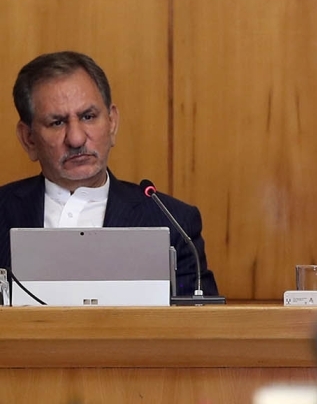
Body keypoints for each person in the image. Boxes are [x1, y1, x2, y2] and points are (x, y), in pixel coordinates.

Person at [0, 51, 218, 296]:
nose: (76, 138)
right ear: (28, 138)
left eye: (88, 117)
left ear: (112, 123)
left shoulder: (173, 222)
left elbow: (201, 325)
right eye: (57, 122)